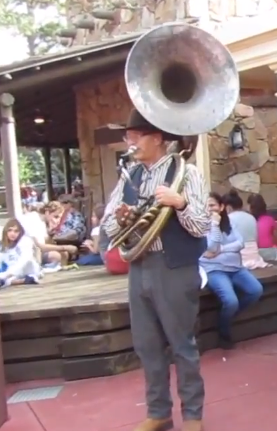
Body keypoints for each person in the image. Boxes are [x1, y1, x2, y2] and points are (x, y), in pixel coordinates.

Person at [101, 108, 210, 431]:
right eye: (128, 137)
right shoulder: (129, 176)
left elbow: (202, 225)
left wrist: (180, 203)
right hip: (139, 265)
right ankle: (159, 412)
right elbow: (107, 224)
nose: (129, 143)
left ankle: (193, 415)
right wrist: (122, 218)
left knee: (182, 344)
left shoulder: (186, 173)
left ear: (157, 138)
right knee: (146, 344)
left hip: (174, 266)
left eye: (135, 137)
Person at [200, 192, 263, 350]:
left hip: (236, 268)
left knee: (256, 290)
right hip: (214, 270)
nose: (210, 209)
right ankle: (224, 333)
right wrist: (214, 225)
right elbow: (210, 247)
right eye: (207, 206)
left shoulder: (229, 224)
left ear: (221, 207)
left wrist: (221, 249)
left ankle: (226, 317)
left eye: (213, 205)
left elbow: (240, 243)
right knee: (231, 301)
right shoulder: (201, 225)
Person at [222, 189, 269, 269]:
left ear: (228, 208)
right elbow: (256, 240)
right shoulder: (251, 218)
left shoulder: (228, 219)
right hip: (255, 256)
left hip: (239, 258)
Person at [0, 219, 41, 288]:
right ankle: (23, 280)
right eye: (10, 230)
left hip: (27, 268)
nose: (12, 233)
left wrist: (8, 274)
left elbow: (25, 259)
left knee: (25, 264)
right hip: (11, 271)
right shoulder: (2, 246)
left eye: (16, 231)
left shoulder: (25, 241)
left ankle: (9, 281)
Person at [248, 193, 277, 262]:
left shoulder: (248, 220)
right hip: (270, 252)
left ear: (250, 207)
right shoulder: (270, 219)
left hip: (253, 253)